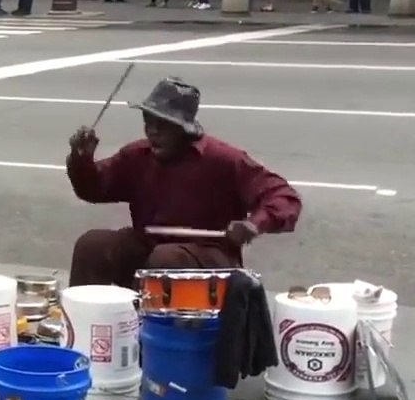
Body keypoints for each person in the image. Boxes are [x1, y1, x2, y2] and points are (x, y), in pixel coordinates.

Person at [64, 78, 302, 289]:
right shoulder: (138, 155)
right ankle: (87, 323)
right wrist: (81, 160)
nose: (153, 131)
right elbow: (94, 189)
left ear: (184, 128)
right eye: (149, 121)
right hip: (151, 244)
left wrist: (254, 224)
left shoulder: (224, 159)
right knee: (93, 245)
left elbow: (284, 197)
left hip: (210, 254)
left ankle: (159, 330)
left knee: (166, 259)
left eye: (163, 125)